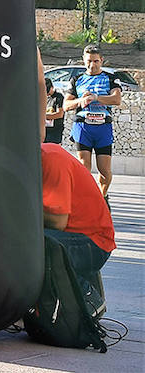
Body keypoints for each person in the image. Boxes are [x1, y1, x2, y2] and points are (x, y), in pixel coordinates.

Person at [41, 142, 115, 276]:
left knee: (26, 244)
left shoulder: (51, 158)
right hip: (74, 235)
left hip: (93, 242)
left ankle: (81, 292)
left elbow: (57, 222)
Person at [65, 44, 123, 201]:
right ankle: (85, 199)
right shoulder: (76, 79)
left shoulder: (110, 78)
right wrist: (81, 100)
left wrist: (96, 97)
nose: (92, 65)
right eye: (89, 61)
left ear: (101, 60)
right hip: (83, 126)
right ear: (84, 60)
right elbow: (66, 105)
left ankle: (102, 197)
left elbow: (116, 99)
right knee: (84, 167)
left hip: (103, 127)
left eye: (96, 61)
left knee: (104, 170)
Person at [44, 76, 66, 145]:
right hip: (46, 130)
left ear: (52, 87)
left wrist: (44, 116)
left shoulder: (58, 97)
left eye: (48, 91)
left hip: (55, 131)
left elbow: (60, 114)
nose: (47, 94)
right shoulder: (45, 98)